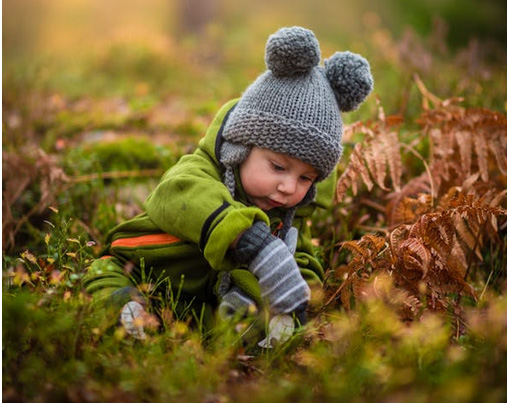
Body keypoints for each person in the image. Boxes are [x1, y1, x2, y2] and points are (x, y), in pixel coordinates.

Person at [83, 26, 373, 343]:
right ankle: (127, 311)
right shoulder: (199, 172)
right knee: (106, 277)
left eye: (306, 178)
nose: (289, 187)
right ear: (241, 148)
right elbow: (180, 194)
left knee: (256, 311)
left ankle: (242, 331)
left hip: (199, 302)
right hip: (140, 268)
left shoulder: (287, 215)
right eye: (278, 167)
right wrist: (248, 238)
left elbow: (300, 258)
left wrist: (297, 296)